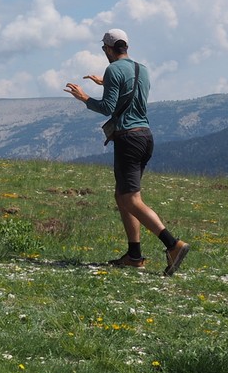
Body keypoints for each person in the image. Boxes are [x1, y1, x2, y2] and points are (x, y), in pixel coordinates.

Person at [65, 29, 190, 275]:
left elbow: (107, 107)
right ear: (126, 47)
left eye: (104, 49)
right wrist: (106, 82)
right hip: (145, 136)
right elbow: (131, 95)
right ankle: (134, 255)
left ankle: (173, 245)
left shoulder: (113, 70)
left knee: (130, 199)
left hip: (128, 138)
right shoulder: (142, 69)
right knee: (123, 195)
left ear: (108, 49)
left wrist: (84, 97)